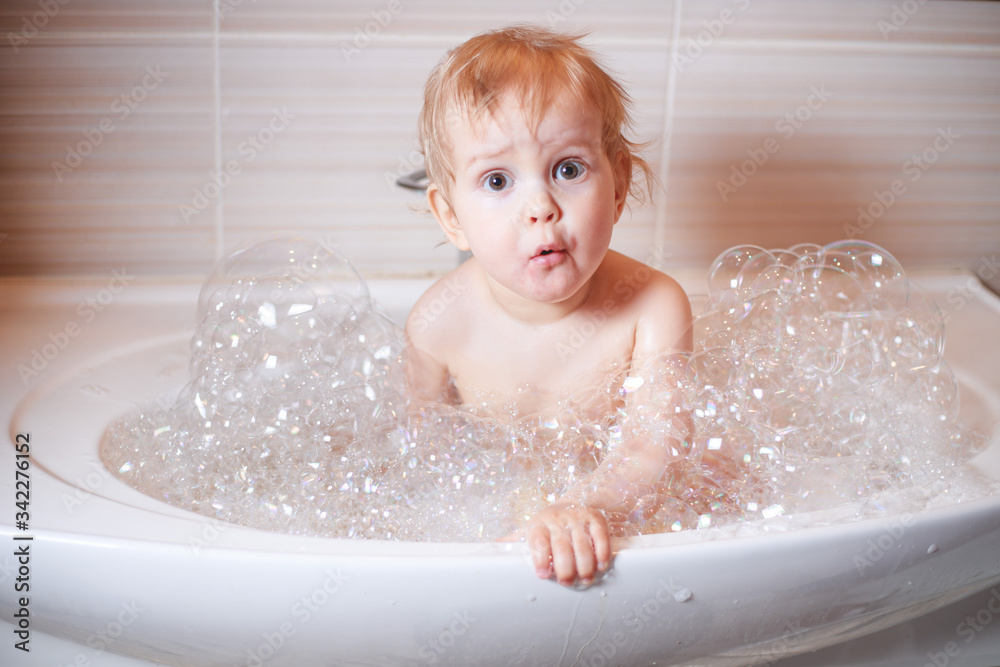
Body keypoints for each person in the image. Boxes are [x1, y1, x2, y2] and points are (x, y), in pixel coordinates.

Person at [405, 25, 692, 587]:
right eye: (496, 180)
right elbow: (419, 465)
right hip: (491, 524)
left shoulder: (653, 307)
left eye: (568, 169)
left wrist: (587, 507)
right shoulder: (439, 324)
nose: (540, 205)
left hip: (614, 514)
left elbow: (653, 443)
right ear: (450, 216)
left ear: (617, 186)